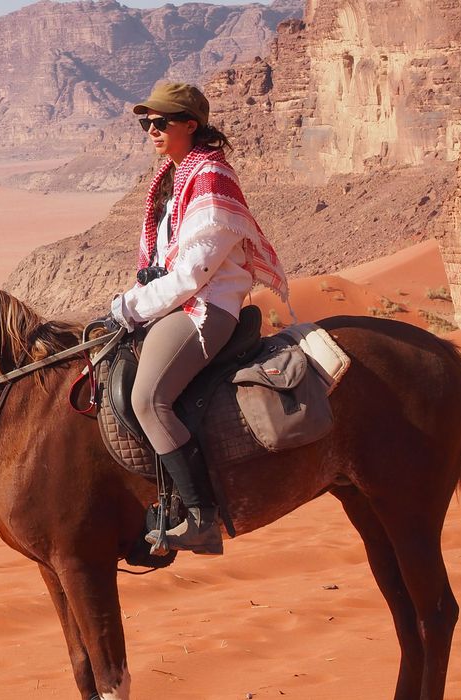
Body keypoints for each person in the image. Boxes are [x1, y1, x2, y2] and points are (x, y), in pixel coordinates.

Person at [105, 83, 290, 554]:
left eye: (161, 121)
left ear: (191, 124)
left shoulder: (209, 179)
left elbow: (193, 273)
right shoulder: (173, 178)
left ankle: (200, 517)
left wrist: (130, 307)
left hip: (206, 308)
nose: (151, 129)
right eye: (146, 122)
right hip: (177, 301)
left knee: (149, 399)